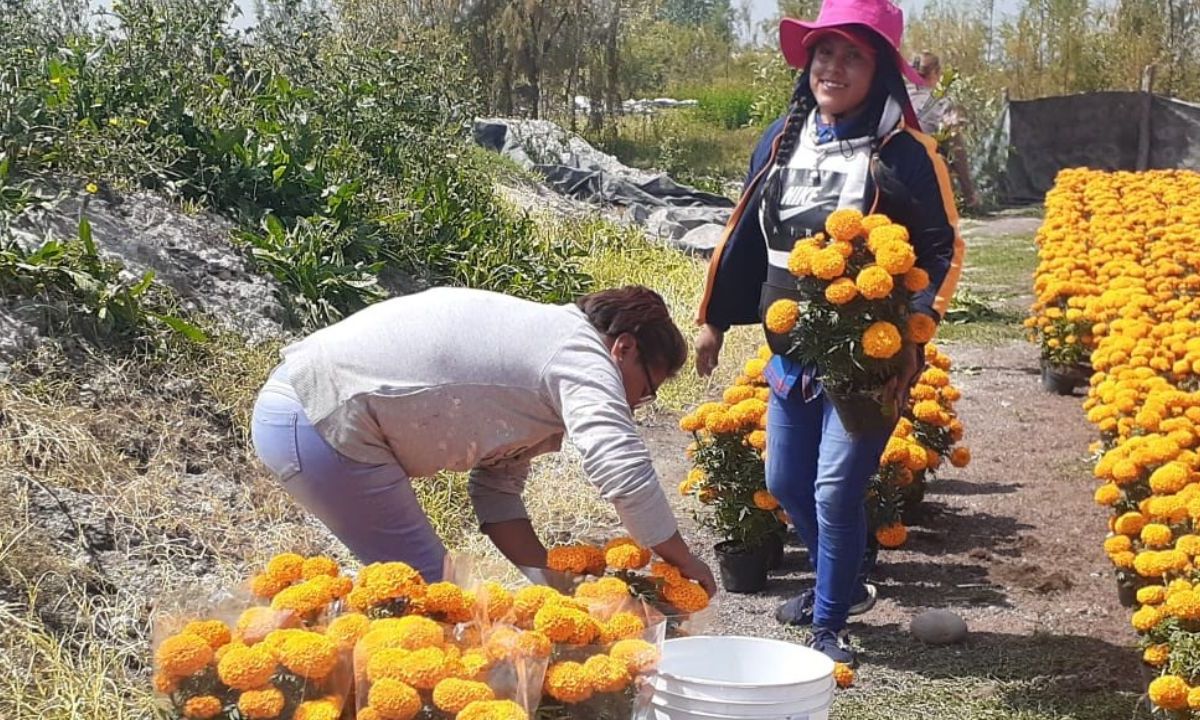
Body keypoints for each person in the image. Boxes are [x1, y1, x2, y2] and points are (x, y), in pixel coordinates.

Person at [692, 0, 963, 664]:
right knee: (786, 483)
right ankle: (841, 580)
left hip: (870, 358)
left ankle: (830, 621)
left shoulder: (906, 153)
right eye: (824, 52)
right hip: (789, 352)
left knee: (836, 488)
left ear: (881, 72)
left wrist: (913, 323)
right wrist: (715, 322)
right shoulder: (782, 139)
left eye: (853, 56)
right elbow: (744, 235)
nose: (833, 67)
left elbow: (940, 249)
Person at [250, 285, 717, 597]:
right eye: (646, 389)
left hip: (311, 411)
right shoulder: (580, 353)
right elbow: (622, 470)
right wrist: (684, 559)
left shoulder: (547, 357)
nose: (635, 404)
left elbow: (496, 491)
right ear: (625, 347)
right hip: (319, 412)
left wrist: (552, 585)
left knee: (424, 595)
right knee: (431, 598)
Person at [907, 51, 982, 210]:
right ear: (935, 72)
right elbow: (957, 149)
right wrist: (969, 193)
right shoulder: (942, 104)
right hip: (926, 183)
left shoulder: (895, 98)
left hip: (889, 178)